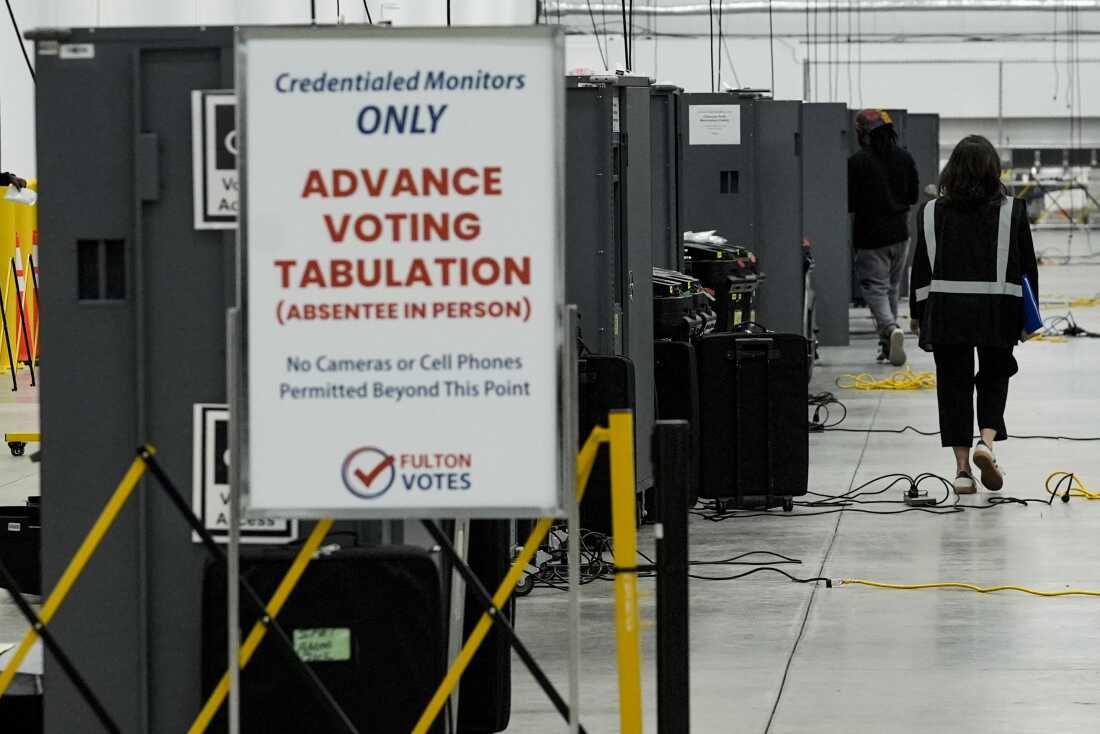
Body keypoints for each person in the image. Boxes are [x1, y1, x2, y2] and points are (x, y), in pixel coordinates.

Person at [909, 135, 1038, 495]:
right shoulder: (1013, 210)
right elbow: (1027, 267)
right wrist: (1030, 318)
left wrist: (917, 315)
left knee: (953, 386)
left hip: (948, 311)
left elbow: (920, 268)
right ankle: (987, 443)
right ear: (992, 170)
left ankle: (962, 472)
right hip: (998, 309)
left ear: (953, 170)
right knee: (996, 375)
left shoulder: (932, 211)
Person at [848, 108, 920, 366]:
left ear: (863, 133)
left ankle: (890, 329)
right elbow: (913, 196)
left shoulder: (857, 162)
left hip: (871, 237)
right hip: (901, 235)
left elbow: (850, 202)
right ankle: (887, 346)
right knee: (890, 287)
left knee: (875, 289)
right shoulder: (905, 157)